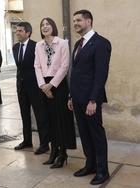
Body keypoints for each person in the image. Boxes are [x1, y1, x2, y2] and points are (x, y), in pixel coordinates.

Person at [68, 10, 111, 185]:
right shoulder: (78, 44)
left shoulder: (101, 43)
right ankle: (90, 165)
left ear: (89, 21)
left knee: (96, 134)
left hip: (90, 100)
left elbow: (101, 75)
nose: (75, 23)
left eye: (79, 20)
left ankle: (103, 171)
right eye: (74, 21)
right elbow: (75, 73)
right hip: (77, 98)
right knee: (84, 134)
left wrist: (93, 100)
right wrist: (71, 95)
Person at [34, 18, 76, 168]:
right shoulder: (38, 45)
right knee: (48, 119)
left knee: (60, 120)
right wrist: (43, 86)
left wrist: (51, 85)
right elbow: (37, 66)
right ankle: (53, 152)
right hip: (43, 85)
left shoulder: (62, 43)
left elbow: (65, 66)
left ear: (53, 27)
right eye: (42, 25)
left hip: (58, 85)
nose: (45, 27)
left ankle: (62, 153)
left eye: (47, 24)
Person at [12, 22, 50, 155]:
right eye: (16, 31)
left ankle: (44, 144)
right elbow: (19, 68)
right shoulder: (15, 47)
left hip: (35, 87)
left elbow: (41, 67)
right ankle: (27, 141)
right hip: (21, 87)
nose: (17, 33)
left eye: (20, 31)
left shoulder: (37, 46)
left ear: (28, 32)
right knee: (24, 115)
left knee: (40, 115)